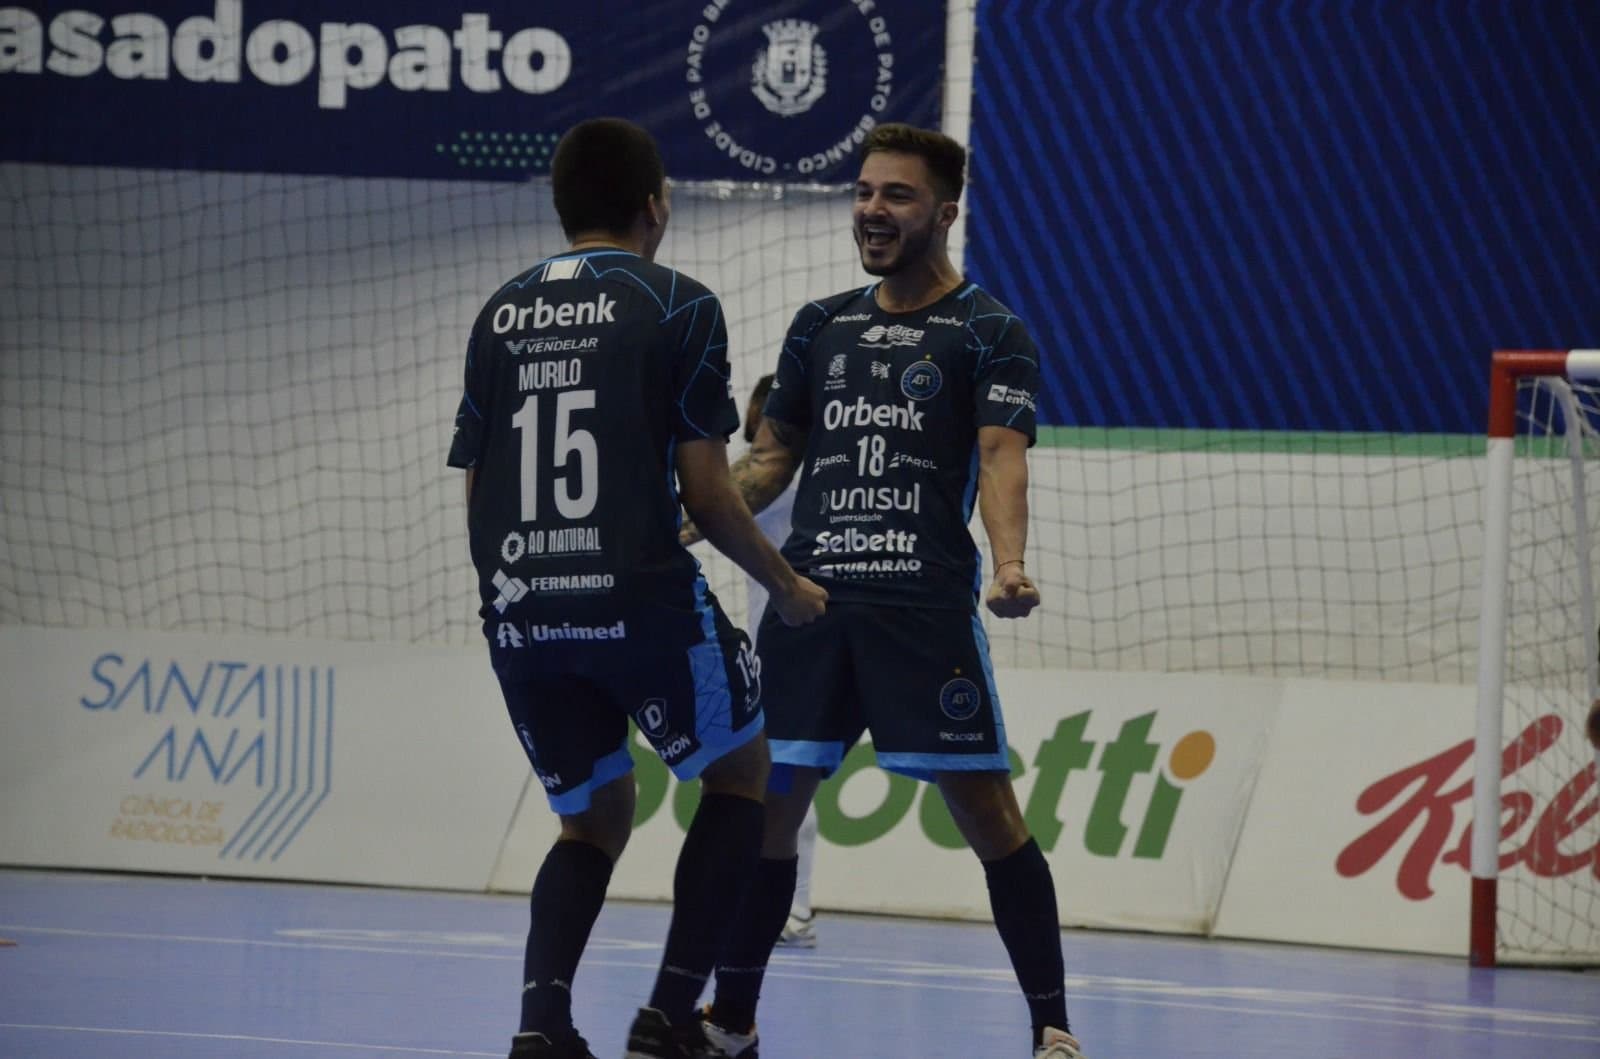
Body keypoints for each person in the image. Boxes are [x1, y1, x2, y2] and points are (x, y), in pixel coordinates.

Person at [687, 123, 1089, 1059]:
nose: (872, 208)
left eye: (897, 195)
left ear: (944, 212)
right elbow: (774, 455)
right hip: (812, 607)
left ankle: (1053, 1028)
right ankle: (732, 1022)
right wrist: (690, 515)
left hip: (922, 611)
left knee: (989, 815)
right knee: (768, 810)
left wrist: (1010, 561)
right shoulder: (820, 325)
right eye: (864, 191)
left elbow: (999, 456)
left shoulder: (991, 330)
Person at [447, 117, 826, 1059]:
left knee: (591, 818)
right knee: (741, 777)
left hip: (521, 604)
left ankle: (540, 1026)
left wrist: (520, 587)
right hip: (636, 593)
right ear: (656, 206)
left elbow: (474, 481)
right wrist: (784, 585)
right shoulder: (680, 305)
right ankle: (667, 1014)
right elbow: (707, 489)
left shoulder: (499, 311)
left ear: (560, 204)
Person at [737, 376, 818, 949]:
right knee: (774, 781)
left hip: (802, 641)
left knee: (786, 777)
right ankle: (780, 903)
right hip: (767, 642)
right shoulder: (753, 474)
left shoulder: (794, 476)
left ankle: (795, 907)